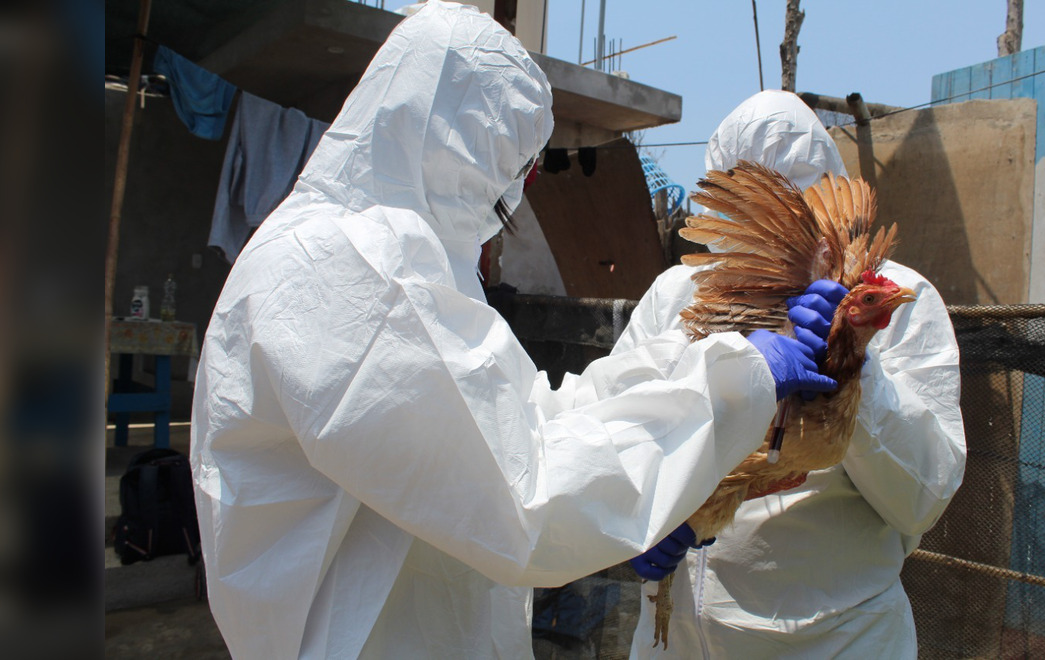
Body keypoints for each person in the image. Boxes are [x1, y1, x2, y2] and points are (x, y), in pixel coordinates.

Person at [189, 4, 834, 658]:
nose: (517, 194)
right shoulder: (351, 268)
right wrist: (737, 381)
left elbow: (524, 419)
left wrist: (695, 374)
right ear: (453, 135)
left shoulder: (398, 256)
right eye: (510, 164)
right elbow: (526, 496)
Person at [618, 90, 968, 658]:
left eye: (790, 214)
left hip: (835, 641)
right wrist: (631, 517)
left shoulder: (897, 299)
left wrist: (850, 352)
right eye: (752, 212)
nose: (771, 236)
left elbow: (923, 496)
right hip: (675, 635)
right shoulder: (676, 295)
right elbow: (623, 424)